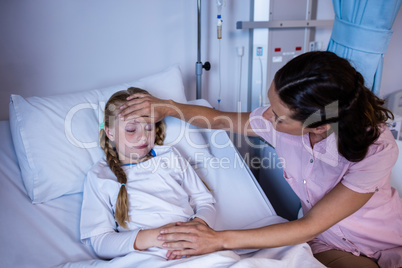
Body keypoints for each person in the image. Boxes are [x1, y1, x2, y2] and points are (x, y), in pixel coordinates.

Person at [118, 51, 402, 268]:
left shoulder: (376, 149)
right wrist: (167, 107)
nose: (265, 118)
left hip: (386, 240)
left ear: (318, 126)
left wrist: (218, 239)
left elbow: (309, 224)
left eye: (277, 117)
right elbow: (217, 120)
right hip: (326, 243)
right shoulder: (280, 123)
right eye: (270, 103)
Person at [80, 87, 215, 260]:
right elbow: (100, 241)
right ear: (110, 132)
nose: (143, 137)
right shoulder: (100, 176)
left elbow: (205, 201)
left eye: (149, 128)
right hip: (144, 258)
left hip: (191, 250)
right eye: (131, 130)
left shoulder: (170, 156)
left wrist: (197, 228)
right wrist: (156, 237)